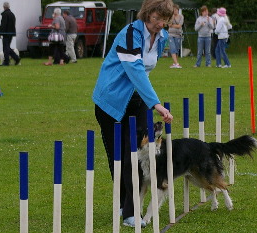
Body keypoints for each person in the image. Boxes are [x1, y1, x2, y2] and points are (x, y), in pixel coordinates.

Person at [93, 0, 174, 228]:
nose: (160, 24)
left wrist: (149, 101)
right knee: (117, 157)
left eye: (165, 20)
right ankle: (123, 205)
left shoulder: (163, 38)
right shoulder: (129, 34)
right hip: (110, 101)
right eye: (157, 18)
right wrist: (156, 104)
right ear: (147, 14)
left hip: (137, 100)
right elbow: (134, 69)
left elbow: (145, 72)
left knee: (137, 156)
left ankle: (131, 211)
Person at [0, 2, 20, 66]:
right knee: (7, 47)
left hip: (6, 33)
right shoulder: (12, 14)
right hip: (11, 33)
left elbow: (3, 24)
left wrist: (0, 32)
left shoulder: (5, 14)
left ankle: (7, 61)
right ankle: (16, 58)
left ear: (4, 7)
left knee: (6, 48)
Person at [168, 4, 183, 68]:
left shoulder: (181, 17)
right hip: (171, 34)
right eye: (174, 10)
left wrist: (173, 25)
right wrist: (172, 19)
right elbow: (169, 24)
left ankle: (175, 63)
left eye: (176, 10)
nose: (175, 11)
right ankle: (177, 63)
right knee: (172, 48)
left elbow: (179, 26)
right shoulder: (170, 16)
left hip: (178, 34)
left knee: (177, 49)